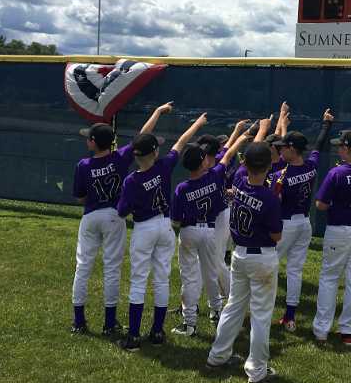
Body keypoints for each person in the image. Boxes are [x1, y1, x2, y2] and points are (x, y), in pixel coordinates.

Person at [70, 102, 172, 335]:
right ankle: (109, 322)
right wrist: (157, 112)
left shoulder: (83, 165)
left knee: (83, 265)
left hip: (91, 215)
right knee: (112, 268)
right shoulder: (119, 158)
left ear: (93, 142)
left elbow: (80, 197)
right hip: (114, 216)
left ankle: (79, 320)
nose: (87, 141)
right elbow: (141, 137)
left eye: (88, 138)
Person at [115, 111, 208, 351]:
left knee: (138, 280)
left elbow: (122, 211)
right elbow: (180, 143)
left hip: (144, 228)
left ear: (136, 156)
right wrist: (197, 124)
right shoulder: (164, 166)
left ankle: (133, 337)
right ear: (155, 152)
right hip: (165, 226)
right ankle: (157, 332)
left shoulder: (131, 180)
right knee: (161, 279)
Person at [206, 142, 283, 383]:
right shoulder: (269, 199)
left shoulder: (239, 182)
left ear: (245, 164)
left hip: (239, 255)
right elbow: (277, 236)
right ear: (268, 166)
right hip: (261, 258)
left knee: (233, 307)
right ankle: (257, 372)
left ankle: (217, 356)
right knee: (260, 316)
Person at [170, 127, 252, 336]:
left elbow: (176, 220)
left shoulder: (182, 188)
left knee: (190, 278)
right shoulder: (215, 176)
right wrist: (242, 137)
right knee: (211, 273)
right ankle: (216, 311)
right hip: (209, 230)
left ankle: (189, 323)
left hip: (189, 232)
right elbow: (228, 154)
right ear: (203, 162)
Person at [312, 108, 351, 347]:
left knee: (329, 277)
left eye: (341, 146)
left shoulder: (337, 173)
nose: (338, 149)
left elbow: (320, 204)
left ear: (348, 150)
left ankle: (321, 330)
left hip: (340, 230)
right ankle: (348, 331)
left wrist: (334, 204)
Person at [271, 108, 334, 331]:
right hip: (304, 224)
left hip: (285, 225)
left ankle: (262, 309)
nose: (280, 150)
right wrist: (326, 124)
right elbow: (318, 145)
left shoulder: (281, 175)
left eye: (283, 147)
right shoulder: (311, 165)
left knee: (268, 266)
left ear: (292, 149)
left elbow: (273, 202)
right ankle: (290, 316)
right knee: (295, 270)